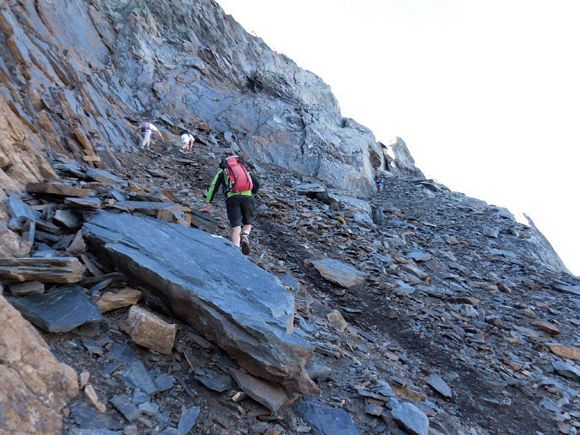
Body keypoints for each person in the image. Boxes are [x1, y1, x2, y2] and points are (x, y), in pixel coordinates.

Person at [201, 155, 259, 255]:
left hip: (232, 199)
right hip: (248, 197)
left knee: (236, 227)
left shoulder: (223, 171)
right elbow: (256, 185)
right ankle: (245, 236)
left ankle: (235, 251)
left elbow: (213, 187)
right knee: (248, 223)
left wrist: (208, 204)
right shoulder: (243, 169)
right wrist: (250, 193)